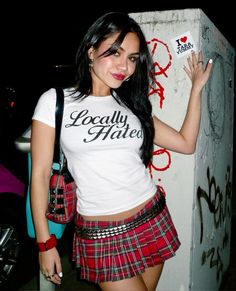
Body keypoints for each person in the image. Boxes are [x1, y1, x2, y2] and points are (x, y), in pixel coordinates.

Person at [30, 11, 213, 291]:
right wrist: (45, 244)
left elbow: (186, 143)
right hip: (100, 235)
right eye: (115, 52)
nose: (124, 66)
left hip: (150, 219)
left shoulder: (132, 106)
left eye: (132, 58)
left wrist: (197, 89)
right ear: (91, 51)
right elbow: (40, 175)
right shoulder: (56, 101)